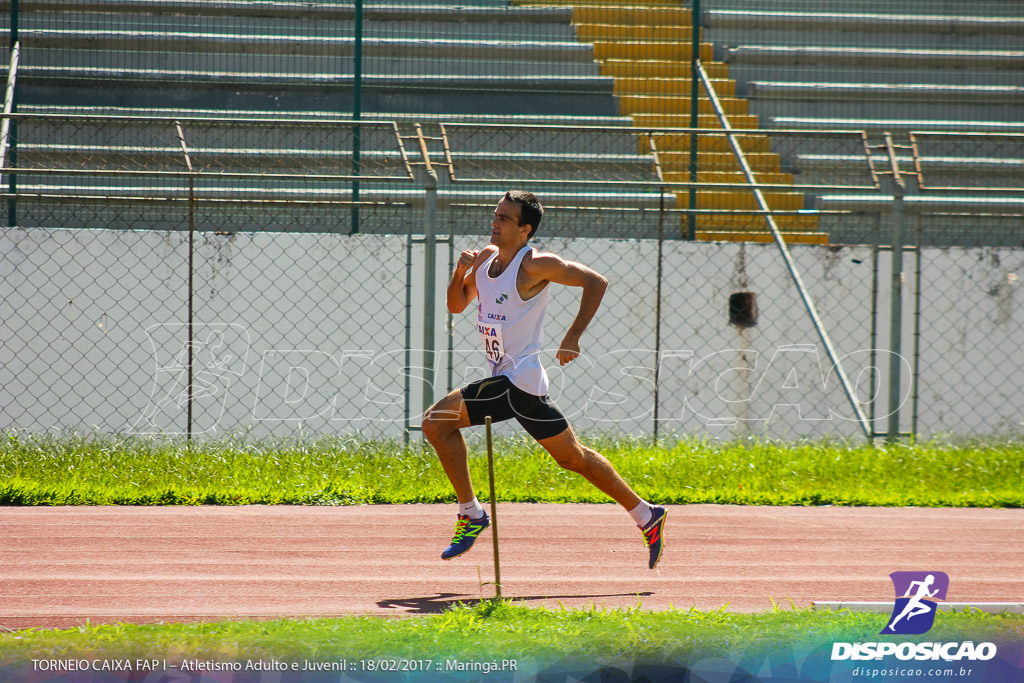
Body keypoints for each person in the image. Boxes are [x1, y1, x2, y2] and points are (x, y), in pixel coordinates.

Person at [421, 190, 667, 570]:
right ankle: (646, 514)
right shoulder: (486, 258)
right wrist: (460, 272)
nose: (495, 222)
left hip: (519, 380)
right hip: (516, 384)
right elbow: (457, 304)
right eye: (496, 214)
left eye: (504, 218)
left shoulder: (534, 264)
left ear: (525, 230)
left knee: (436, 422)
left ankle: (471, 514)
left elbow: (596, 282)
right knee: (574, 458)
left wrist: (572, 337)